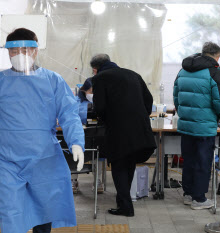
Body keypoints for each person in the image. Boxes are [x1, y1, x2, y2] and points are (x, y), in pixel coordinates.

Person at [0, 28, 84, 233]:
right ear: (8, 52)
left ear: (35, 51)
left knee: (45, 208)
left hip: (44, 157)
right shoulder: (1, 81)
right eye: (14, 50)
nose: (20, 54)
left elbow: (69, 113)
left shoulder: (52, 80)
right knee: (10, 212)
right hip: (7, 159)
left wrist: (76, 142)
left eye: (26, 49)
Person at [90, 54, 156, 217]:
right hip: (140, 128)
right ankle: (123, 202)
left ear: (95, 69)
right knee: (129, 163)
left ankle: (126, 207)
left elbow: (100, 107)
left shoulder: (99, 78)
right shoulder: (133, 74)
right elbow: (149, 100)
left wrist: (106, 119)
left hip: (118, 129)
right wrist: (140, 116)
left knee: (118, 165)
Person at [173, 42, 220, 210]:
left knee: (189, 159)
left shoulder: (182, 70)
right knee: (203, 161)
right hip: (204, 125)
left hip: (186, 124)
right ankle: (199, 198)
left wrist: (183, 113)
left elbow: (176, 96)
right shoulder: (214, 72)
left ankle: (188, 194)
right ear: (217, 56)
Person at [68, 78, 104, 194]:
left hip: (95, 136)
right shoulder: (76, 102)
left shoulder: (102, 101)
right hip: (79, 135)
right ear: (84, 91)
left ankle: (97, 179)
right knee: (74, 152)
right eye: (90, 91)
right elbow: (71, 117)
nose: (93, 94)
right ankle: (73, 179)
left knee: (100, 153)